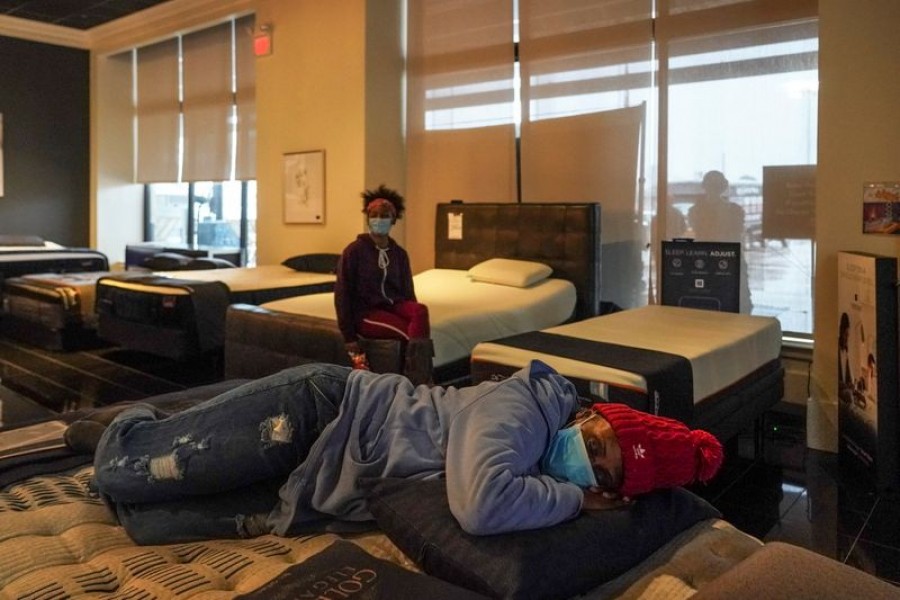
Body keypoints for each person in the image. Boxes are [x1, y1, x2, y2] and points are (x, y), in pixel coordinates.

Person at [74, 360, 724, 546]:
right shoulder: (526, 405)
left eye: (601, 473)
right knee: (118, 468)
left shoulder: (536, 469)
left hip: (307, 492)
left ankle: (169, 435)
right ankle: (120, 420)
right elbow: (479, 505)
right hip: (315, 417)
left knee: (146, 520)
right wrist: (574, 498)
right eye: (595, 444)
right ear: (587, 415)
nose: (586, 461)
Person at [334, 184, 433, 384]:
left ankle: (420, 376)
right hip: (366, 312)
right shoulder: (354, 251)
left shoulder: (399, 254)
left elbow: (408, 292)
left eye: (385, 215)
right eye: (374, 215)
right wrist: (349, 336)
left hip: (394, 306)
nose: (379, 219)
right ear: (368, 218)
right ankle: (418, 380)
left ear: (393, 219)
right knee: (406, 332)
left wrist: (412, 316)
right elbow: (342, 293)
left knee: (420, 311)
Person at [688, 170, 753, 313]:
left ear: (704, 187)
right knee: (739, 301)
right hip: (730, 258)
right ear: (724, 187)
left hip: (705, 261)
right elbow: (737, 234)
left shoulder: (694, 211)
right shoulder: (735, 210)